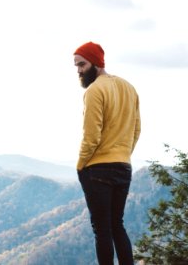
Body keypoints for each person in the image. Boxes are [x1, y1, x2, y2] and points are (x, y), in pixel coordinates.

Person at [74, 41, 141, 265]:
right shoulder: (129, 88)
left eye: (81, 64)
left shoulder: (94, 90)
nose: (79, 70)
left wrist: (80, 164)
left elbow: (91, 137)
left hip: (98, 169)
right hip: (124, 166)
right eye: (76, 66)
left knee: (102, 229)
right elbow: (137, 128)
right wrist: (123, 154)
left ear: (96, 62)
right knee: (117, 225)